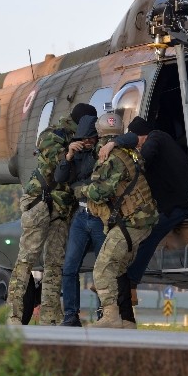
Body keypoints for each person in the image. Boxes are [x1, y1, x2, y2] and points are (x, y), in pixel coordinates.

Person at [7, 102, 97, 326]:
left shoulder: (87, 144)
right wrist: (70, 152)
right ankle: (14, 315)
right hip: (41, 203)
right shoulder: (54, 135)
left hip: (63, 210)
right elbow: (56, 171)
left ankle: (50, 317)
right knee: (26, 259)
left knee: (55, 264)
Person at [103, 116, 188, 320]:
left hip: (180, 204)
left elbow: (144, 158)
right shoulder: (164, 142)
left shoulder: (156, 137)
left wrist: (117, 145)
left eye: (137, 143)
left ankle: (131, 282)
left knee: (149, 234)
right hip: (180, 202)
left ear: (139, 138)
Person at [80, 111, 158, 328]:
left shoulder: (111, 157)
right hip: (141, 221)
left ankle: (111, 316)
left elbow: (102, 192)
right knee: (118, 267)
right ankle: (126, 321)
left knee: (102, 268)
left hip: (132, 222)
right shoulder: (128, 151)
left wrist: (81, 191)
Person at [54, 113, 106, 326]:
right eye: (83, 139)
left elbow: (94, 184)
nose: (86, 143)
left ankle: (105, 312)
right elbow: (60, 178)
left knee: (104, 267)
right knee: (69, 267)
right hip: (81, 215)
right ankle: (71, 315)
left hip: (100, 216)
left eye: (90, 139)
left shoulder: (102, 151)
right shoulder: (76, 154)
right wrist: (68, 156)